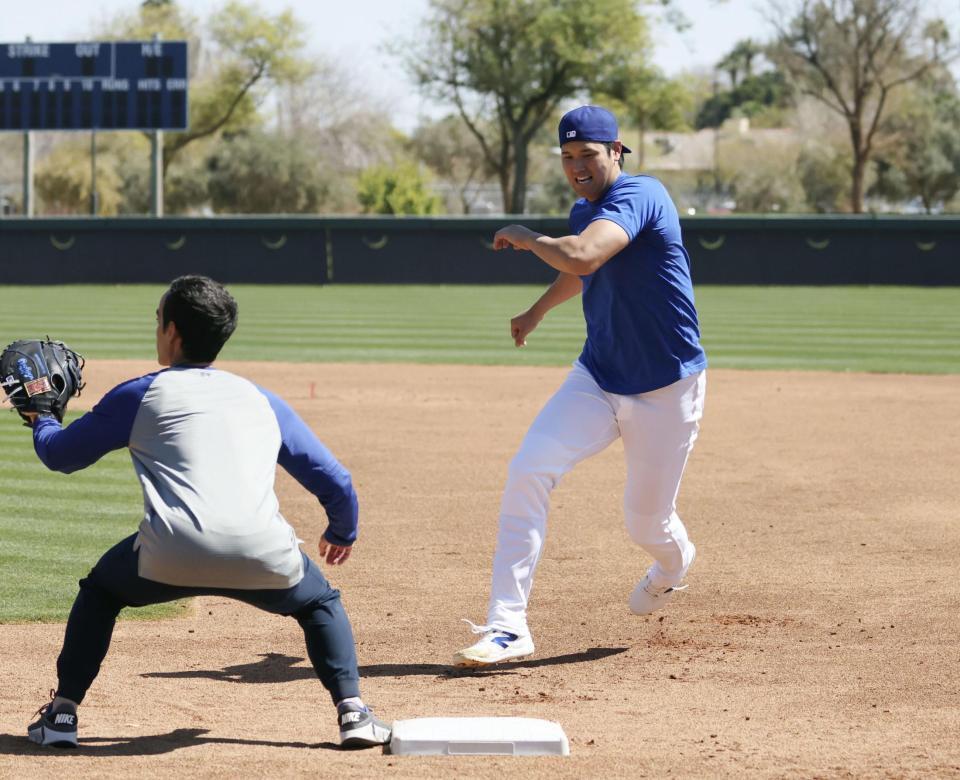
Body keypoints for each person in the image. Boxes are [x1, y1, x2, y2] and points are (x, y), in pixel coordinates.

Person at [24, 275, 390, 749]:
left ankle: (63, 716)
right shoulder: (263, 400)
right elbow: (336, 481)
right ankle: (353, 713)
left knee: (100, 593)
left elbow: (60, 455)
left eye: (158, 320)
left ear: (173, 332)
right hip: (263, 554)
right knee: (320, 603)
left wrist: (42, 417)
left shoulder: (138, 395)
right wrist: (342, 531)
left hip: (168, 555)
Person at [453, 105, 708, 667]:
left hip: (666, 387)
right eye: (567, 157)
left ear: (616, 151)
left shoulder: (643, 195)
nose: (576, 166)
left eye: (587, 155)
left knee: (646, 522)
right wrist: (538, 309)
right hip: (598, 375)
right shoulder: (584, 208)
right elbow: (580, 270)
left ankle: (673, 564)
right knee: (528, 468)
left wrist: (523, 235)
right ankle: (508, 625)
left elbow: (585, 252)